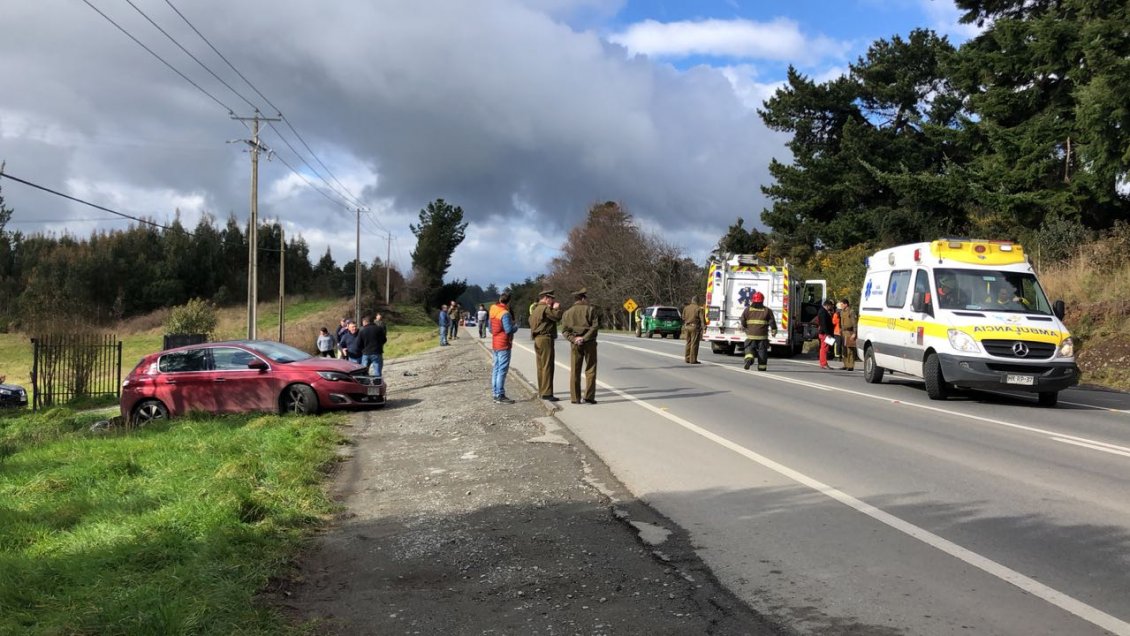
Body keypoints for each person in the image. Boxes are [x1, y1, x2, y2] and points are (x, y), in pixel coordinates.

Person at [561, 287, 599, 404]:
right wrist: (585, 337)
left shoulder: (567, 313)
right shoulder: (591, 310)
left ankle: (575, 398)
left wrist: (574, 339)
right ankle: (588, 396)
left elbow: (564, 331)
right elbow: (595, 326)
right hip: (589, 342)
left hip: (575, 344)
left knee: (575, 370)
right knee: (590, 369)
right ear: (583, 298)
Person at [529, 289, 563, 401]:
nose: (553, 300)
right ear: (546, 298)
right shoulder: (545, 308)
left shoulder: (535, 309)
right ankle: (547, 393)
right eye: (552, 298)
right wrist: (556, 308)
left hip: (537, 339)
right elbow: (557, 317)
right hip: (545, 339)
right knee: (547, 366)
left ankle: (542, 390)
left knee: (540, 367)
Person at [489, 292, 519, 404]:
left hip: (495, 343)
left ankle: (495, 393)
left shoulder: (493, 309)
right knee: (502, 370)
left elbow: (490, 328)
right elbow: (508, 330)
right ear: (508, 301)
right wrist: (516, 326)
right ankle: (500, 394)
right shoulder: (504, 313)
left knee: (496, 369)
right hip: (504, 344)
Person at [740, 291, 777, 371]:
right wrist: (774, 331)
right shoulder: (767, 310)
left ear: (752, 300)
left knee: (749, 348)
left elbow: (743, 320)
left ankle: (749, 359)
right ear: (762, 300)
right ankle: (762, 367)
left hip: (751, 335)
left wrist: (745, 327)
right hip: (762, 336)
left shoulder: (747, 310)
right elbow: (772, 322)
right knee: (762, 351)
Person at [813, 300, 835, 369]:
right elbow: (823, 324)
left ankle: (823, 363)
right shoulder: (823, 312)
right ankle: (823, 363)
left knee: (825, 348)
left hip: (825, 332)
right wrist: (828, 333)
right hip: (825, 333)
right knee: (824, 348)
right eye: (831, 306)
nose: (831, 307)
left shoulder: (823, 311)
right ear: (827, 305)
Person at [682, 295, 703, 364]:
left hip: (687, 327)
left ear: (692, 300)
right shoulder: (698, 308)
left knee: (688, 342)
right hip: (694, 327)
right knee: (694, 343)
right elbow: (702, 319)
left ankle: (687, 358)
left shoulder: (686, 308)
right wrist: (704, 327)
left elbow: (683, 317)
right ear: (697, 301)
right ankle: (693, 360)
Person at [838, 298, 857, 371]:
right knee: (844, 349)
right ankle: (845, 364)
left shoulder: (851, 312)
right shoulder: (842, 312)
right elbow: (841, 322)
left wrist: (854, 333)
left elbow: (854, 323)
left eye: (842, 304)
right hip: (843, 332)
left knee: (850, 350)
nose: (841, 306)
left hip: (850, 332)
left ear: (846, 304)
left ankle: (850, 365)